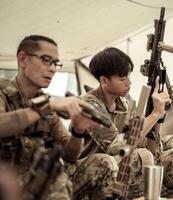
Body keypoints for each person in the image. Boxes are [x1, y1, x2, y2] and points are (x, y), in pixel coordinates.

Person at [0, 35, 118, 200]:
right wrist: (47, 106)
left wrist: (78, 130)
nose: (53, 69)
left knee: (104, 163)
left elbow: (70, 156)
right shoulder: (4, 92)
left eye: (56, 63)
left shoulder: (46, 103)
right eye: (46, 60)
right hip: (7, 184)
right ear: (22, 59)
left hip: (37, 181)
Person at [74, 47, 172, 198]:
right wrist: (154, 114)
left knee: (172, 155)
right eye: (122, 78)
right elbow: (119, 147)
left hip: (115, 169)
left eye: (128, 76)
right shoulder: (89, 105)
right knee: (139, 156)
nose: (129, 82)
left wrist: (158, 117)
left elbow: (148, 146)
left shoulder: (124, 104)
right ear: (104, 81)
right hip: (86, 176)